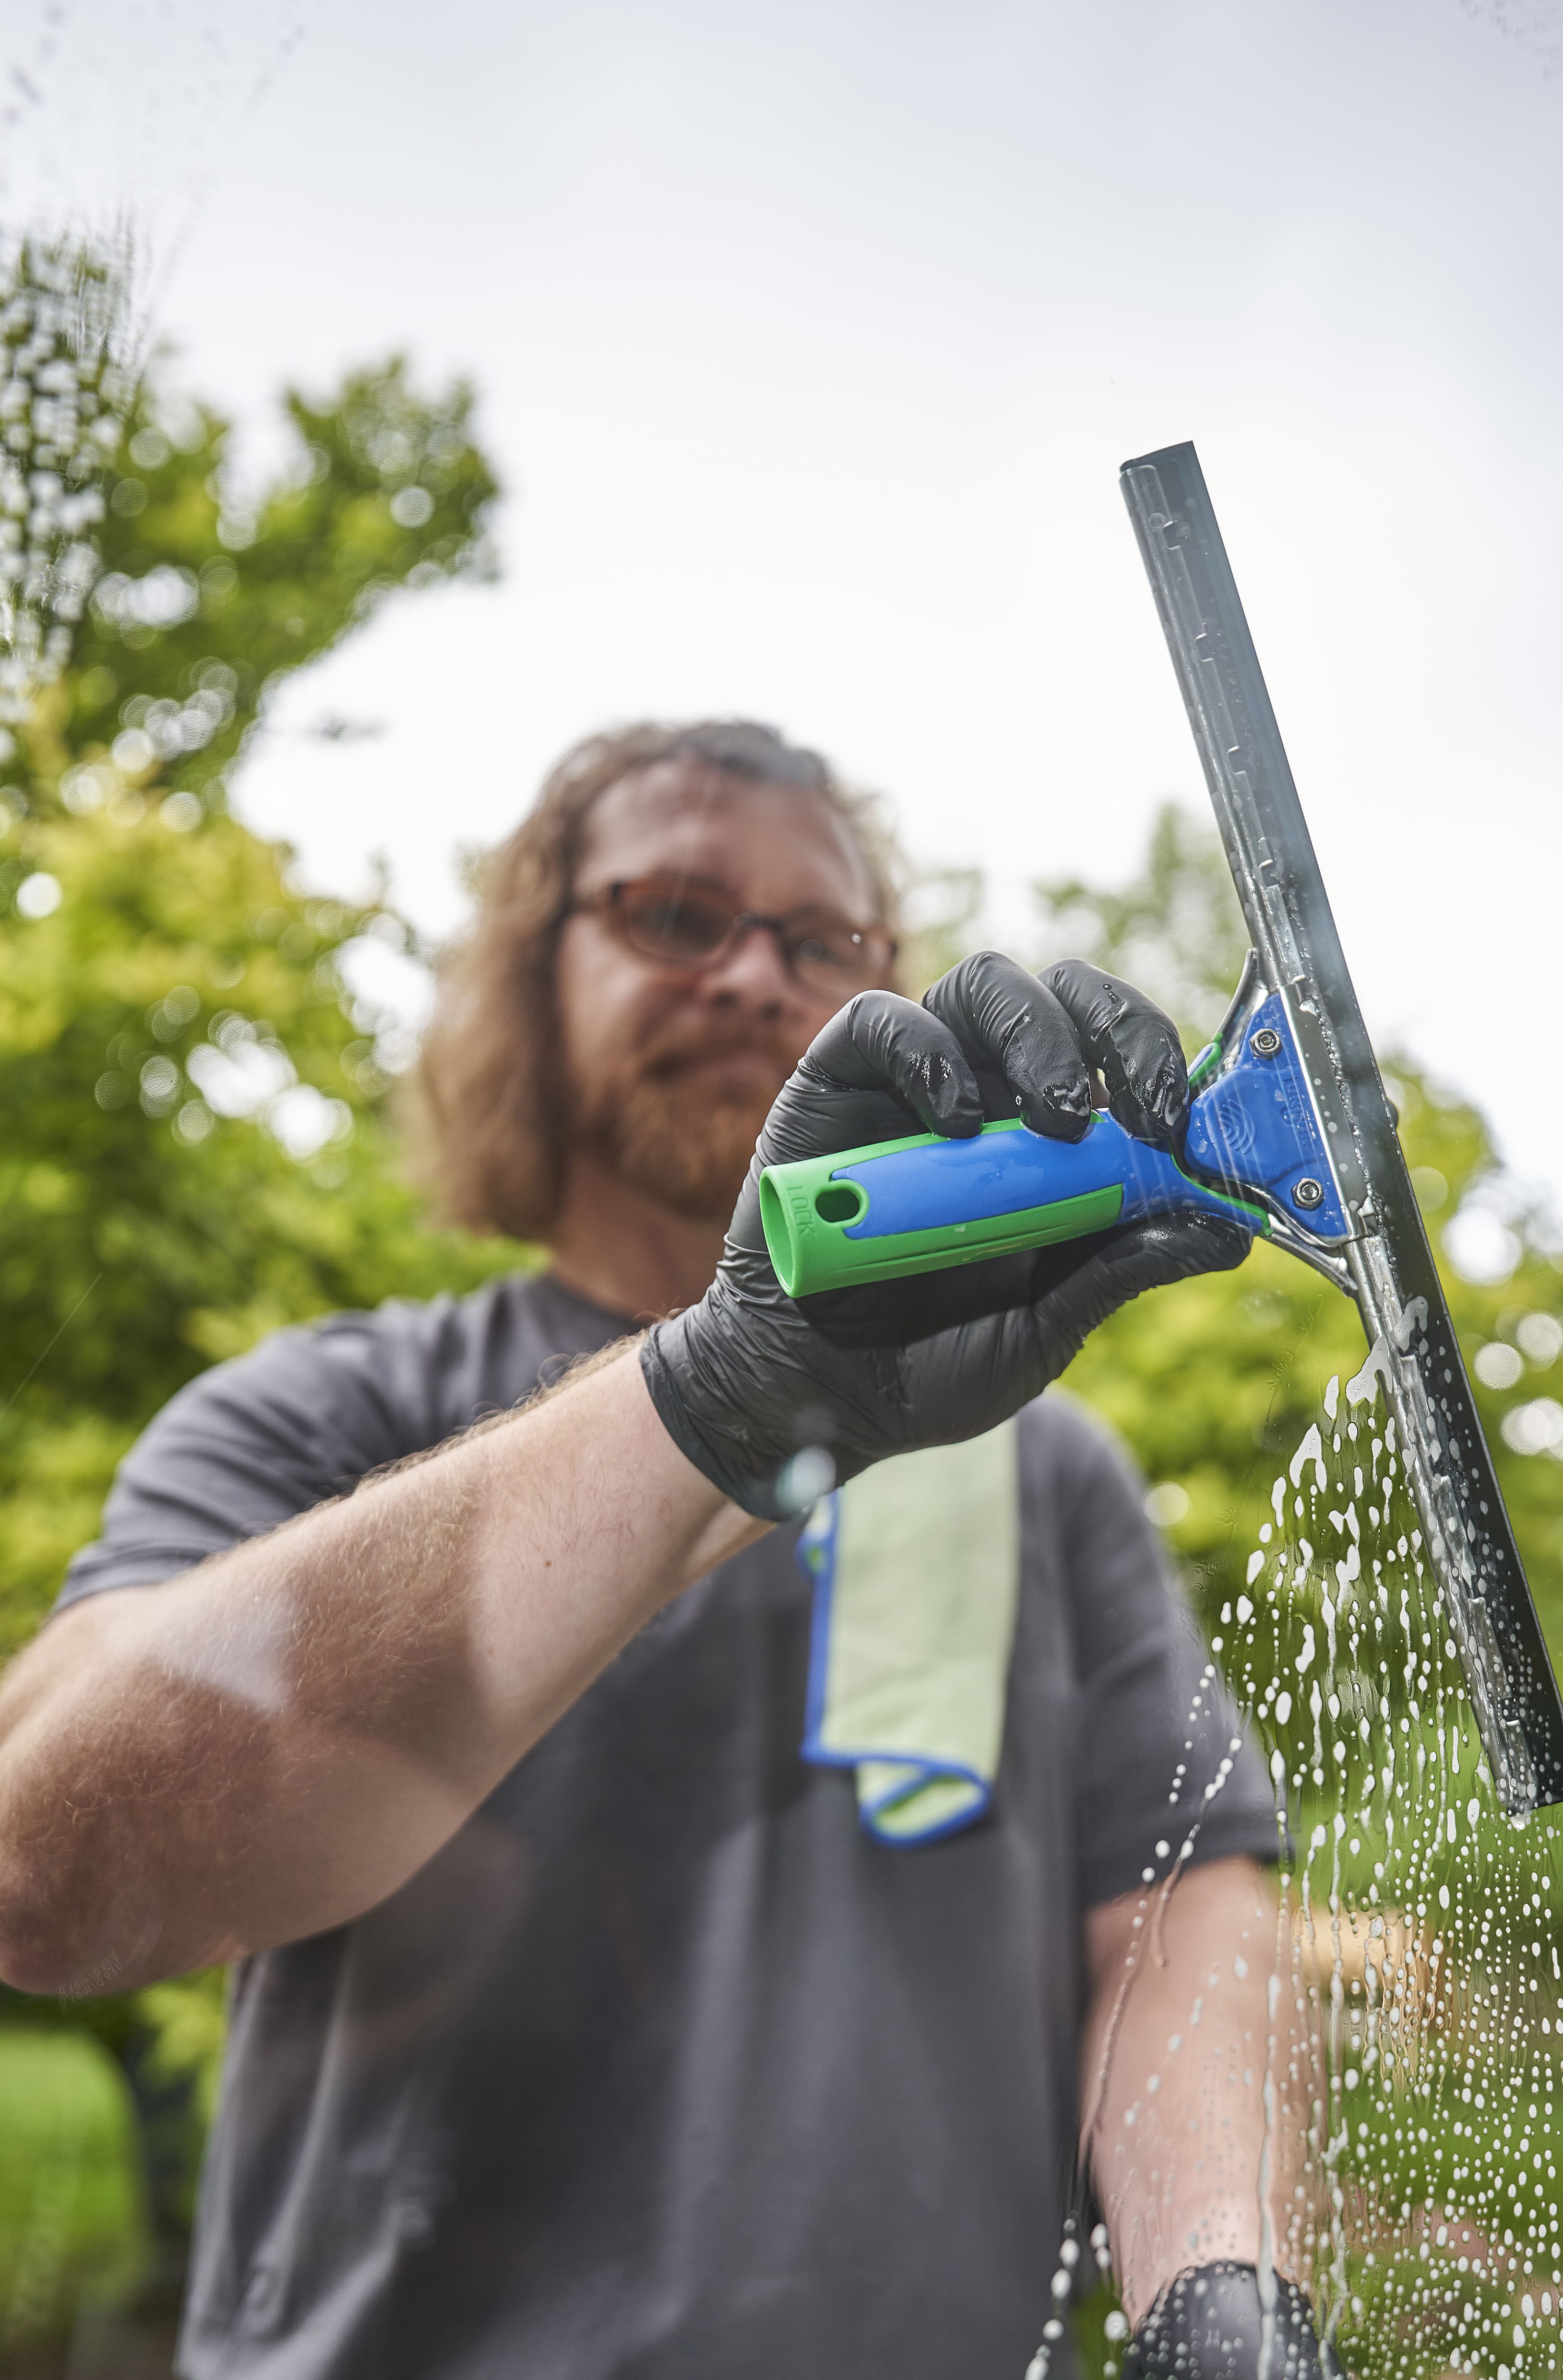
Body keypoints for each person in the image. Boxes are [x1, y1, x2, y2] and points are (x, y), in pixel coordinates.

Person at [0, 721, 1333, 2378]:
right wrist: (711, 1396)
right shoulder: (323, 1416)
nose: (754, 976)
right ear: (527, 981)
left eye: (823, 940)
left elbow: (1169, 1913)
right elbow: (48, 1881)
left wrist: (1222, 2282)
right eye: (676, 915)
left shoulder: (1041, 1471)